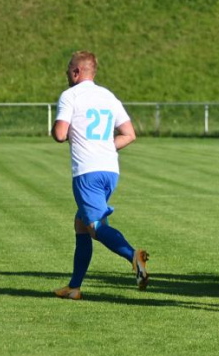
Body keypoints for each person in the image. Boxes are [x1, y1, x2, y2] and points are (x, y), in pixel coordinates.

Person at [51, 51, 148, 300]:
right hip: (109, 170)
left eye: (68, 71)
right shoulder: (108, 96)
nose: (67, 76)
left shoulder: (70, 96)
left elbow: (60, 134)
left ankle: (133, 256)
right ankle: (74, 287)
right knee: (81, 225)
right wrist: (103, 146)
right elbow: (129, 134)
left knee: (95, 227)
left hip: (87, 171)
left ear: (76, 72)